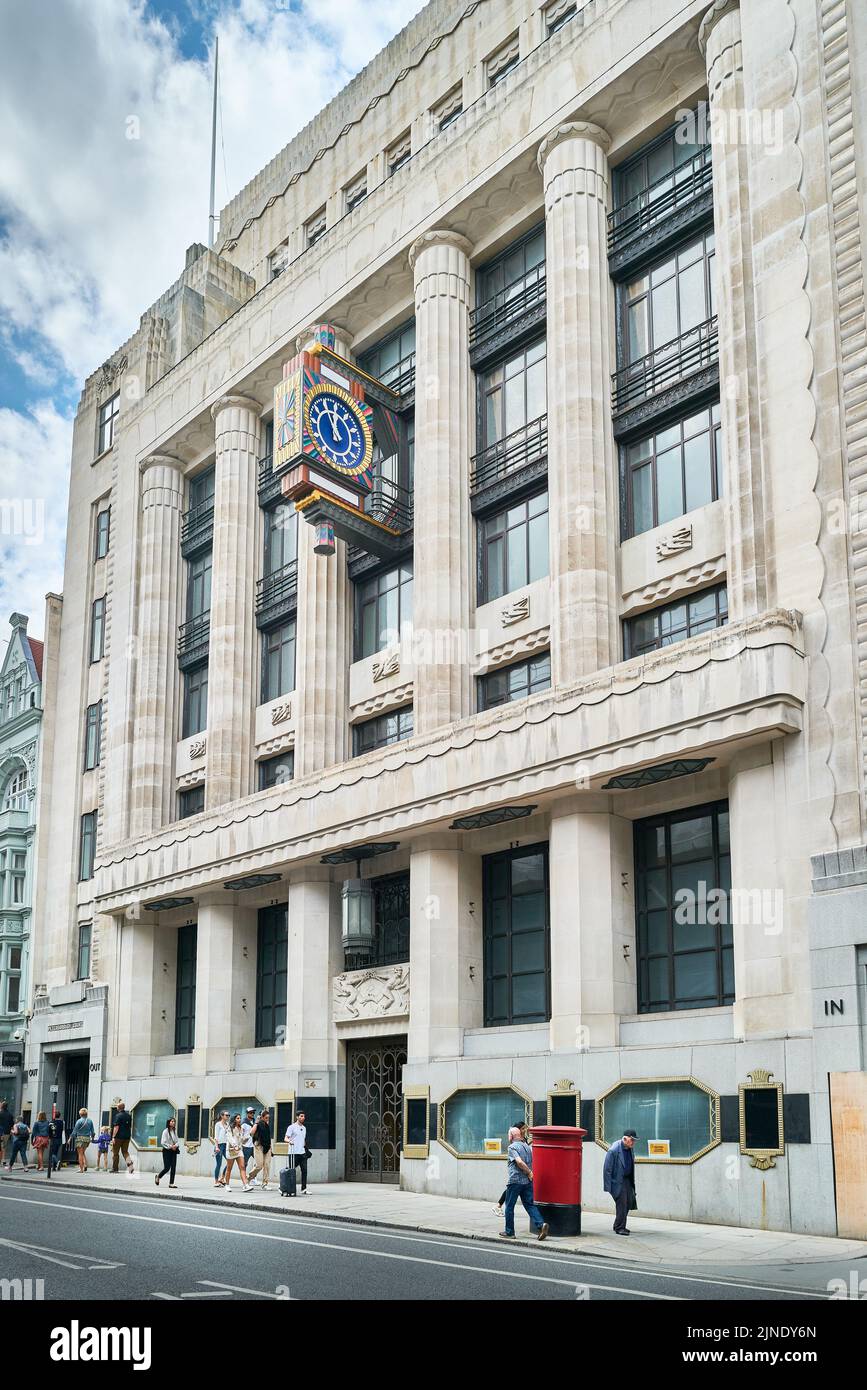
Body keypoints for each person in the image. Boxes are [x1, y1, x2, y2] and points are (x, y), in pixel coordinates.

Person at [500, 1122, 549, 1241]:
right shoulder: (527, 1146)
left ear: (511, 1137)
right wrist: (529, 1174)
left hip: (515, 1180)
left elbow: (519, 1162)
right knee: (529, 1205)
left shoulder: (512, 1147)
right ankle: (541, 1224)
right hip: (527, 1182)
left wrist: (528, 1172)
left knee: (509, 1206)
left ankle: (509, 1231)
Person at [603, 1129, 638, 1235]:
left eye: (634, 1141)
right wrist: (609, 1188)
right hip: (618, 1181)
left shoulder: (630, 1149)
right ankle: (619, 1227)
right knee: (622, 1204)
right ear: (625, 1138)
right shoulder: (614, 1150)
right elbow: (607, 1169)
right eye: (631, 1140)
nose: (633, 1142)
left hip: (627, 1180)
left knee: (629, 1203)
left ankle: (620, 1225)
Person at [223, 1114, 253, 1192]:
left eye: (240, 1118)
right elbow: (229, 1138)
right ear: (234, 1119)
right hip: (231, 1150)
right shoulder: (230, 1128)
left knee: (242, 1167)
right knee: (229, 1168)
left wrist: (247, 1137)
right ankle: (227, 1185)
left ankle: (246, 1185)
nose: (239, 1119)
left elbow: (241, 1140)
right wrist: (235, 1145)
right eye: (237, 1118)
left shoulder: (241, 1128)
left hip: (239, 1150)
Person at [247, 1108, 272, 1190]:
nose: (267, 1119)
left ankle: (265, 1184)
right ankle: (249, 1178)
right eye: (266, 1118)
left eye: (268, 1118)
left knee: (267, 1165)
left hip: (267, 1147)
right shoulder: (258, 1123)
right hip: (259, 1146)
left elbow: (268, 1137)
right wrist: (256, 1122)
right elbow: (251, 1133)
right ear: (262, 1117)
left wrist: (271, 1149)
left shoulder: (267, 1125)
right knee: (259, 1166)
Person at [285, 1111, 309, 1194]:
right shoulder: (291, 1127)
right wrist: (289, 1141)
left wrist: (305, 1147)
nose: (303, 1118)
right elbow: (286, 1138)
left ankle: (304, 1188)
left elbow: (303, 1140)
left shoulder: (304, 1128)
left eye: (304, 1116)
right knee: (291, 1170)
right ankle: (284, 1185)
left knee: (304, 1170)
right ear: (297, 1117)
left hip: (302, 1153)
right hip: (293, 1152)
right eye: (301, 1116)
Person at [155, 1117, 180, 1188]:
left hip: (174, 1151)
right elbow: (163, 1142)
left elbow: (177, 1141)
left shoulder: (175, 1131)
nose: (173, 1123)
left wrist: (175, 1146)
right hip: (167, 1151)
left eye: (174, 1121)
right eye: (172, 1121)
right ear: (168, 1123)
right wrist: (170, 1146)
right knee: (167, 1167)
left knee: (173, 1167)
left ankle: (171, 1183)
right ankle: (158, 1177)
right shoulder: (165, 1131)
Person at [111, 1101, 135, 1174]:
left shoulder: (118, 1116)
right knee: (125, 1152)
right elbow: (130, 1126)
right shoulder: (128, 1116)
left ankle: (115, 1169)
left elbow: (116, 1127)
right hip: (127, 1137)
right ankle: (130, 1166)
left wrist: (113, 1137)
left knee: (115, 1153)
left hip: (118, 1137)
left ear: (118, 1108)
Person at [214, 1110, 230, 1187]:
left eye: (228, 1115)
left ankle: (222, 1178)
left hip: (226, 1145)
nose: (228, 1117)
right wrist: (216, 1147)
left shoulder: (228, 1124)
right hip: (219, 1145)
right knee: (219, 1164)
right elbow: (216, 1137)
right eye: (226, 1115)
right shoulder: (218, 1124)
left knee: (229, 1161)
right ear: (222, 1116)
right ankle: (216, 1181)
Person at [241, 1106, 256, 1176]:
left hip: (254, 1146)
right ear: (247, 1113)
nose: (252, 1114)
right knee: (244, 1164)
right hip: (246, 1147)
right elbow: (241, 1134)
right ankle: (244, 1178)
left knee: (258, 1162)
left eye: (253, 1112)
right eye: (251, 1112)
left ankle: (253, 1177)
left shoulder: (254, 1121)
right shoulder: (244, 1123)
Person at [0, 1099, 13, 1167]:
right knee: (4, 1146)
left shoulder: (0, 1113)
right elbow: (12, 1124)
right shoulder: (10, 1114)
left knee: (1, 1146)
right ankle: (3, 1159)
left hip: (0, 1132)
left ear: (2, 1106)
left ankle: (2, 1159)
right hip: (7, 1132)